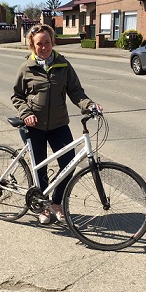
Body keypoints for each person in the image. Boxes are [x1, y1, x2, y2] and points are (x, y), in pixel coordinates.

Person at [11, 23, 102, 225]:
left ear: (52, 42)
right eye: (39, 44)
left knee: (69, 165)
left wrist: (90, 105)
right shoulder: (27, 67)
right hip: (34, 126)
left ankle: (56, 203)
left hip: (59, 125)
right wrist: (26, 113)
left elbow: (76, 92)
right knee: (40, 169)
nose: (44, 47)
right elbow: (17, 96)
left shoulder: (63, 65)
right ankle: (42, 206)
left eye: (47, 43)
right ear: (33, 46)